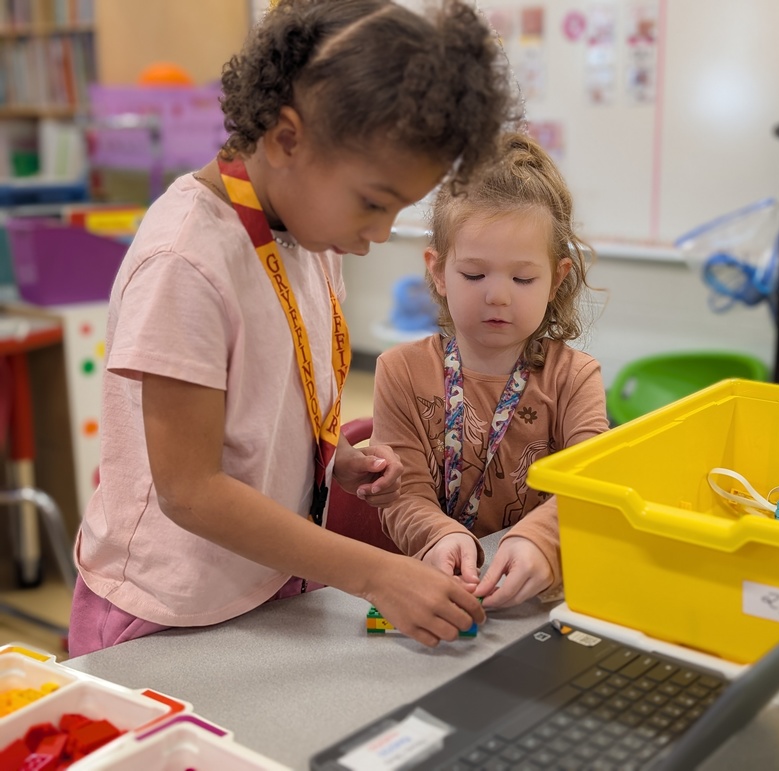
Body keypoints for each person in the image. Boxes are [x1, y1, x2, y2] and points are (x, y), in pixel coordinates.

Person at [69, 0, 516, 656]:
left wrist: (330, 462)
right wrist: (377, 571)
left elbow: (261, 406)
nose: (380, 234)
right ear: (286, 139)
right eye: (373, 202)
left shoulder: (309, 238)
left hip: (261, 585)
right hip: (162, 613)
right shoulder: (185, 261)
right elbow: (190, 490)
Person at [372, 132, 609, 610]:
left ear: (556, 279)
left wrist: (540, 542)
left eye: (523, 279)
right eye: (474, 275)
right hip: (435, 594)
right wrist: (437, 537)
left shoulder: (574, 378)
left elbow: (592, 486)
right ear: (437, 272)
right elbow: (403, 494)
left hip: (536, 601)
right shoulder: (399, 371)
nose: (498, 295)